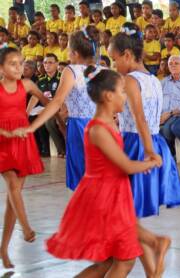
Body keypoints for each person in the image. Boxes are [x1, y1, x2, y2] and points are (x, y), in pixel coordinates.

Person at [46, 69, 156, 278]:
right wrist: (152, 162)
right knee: (124, 260)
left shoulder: (110, 123)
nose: (126, 95)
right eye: (122, 91)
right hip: (104, 199)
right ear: (108, 96)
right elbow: (126, 166)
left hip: (114, 195)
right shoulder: (98, 129)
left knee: (107, 262)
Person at [109, 24, 180, 276]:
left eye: (114, 59)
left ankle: (156, 243)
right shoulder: (153, 79)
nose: (114, 66)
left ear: (128, 56)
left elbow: (140, 119)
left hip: (137, 143)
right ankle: (152, 270)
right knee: (128, 215)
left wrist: (146, 152)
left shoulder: (130, 80)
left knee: (122, 214)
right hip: (154, 141)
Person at [13, 26, 101, 191]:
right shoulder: (102, 70)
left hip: (80, 127)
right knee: (97, 172)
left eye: (68, 48)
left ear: (74, 53)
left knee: (82, 176)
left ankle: (86, 211)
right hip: (101, 126)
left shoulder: (71, 70)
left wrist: (33, 125)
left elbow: (56, 102)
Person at [0, 47, 48, 268]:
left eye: (21, 63)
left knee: (13, 198)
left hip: (22, 139)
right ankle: (26, 228)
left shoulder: (27, 85)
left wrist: (61, 110)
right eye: (13, 63)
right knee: (12, 185)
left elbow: (48, 103)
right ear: (1, 68)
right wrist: (7, 133)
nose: (19, 67)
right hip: (3, 141)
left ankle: (3, 249)